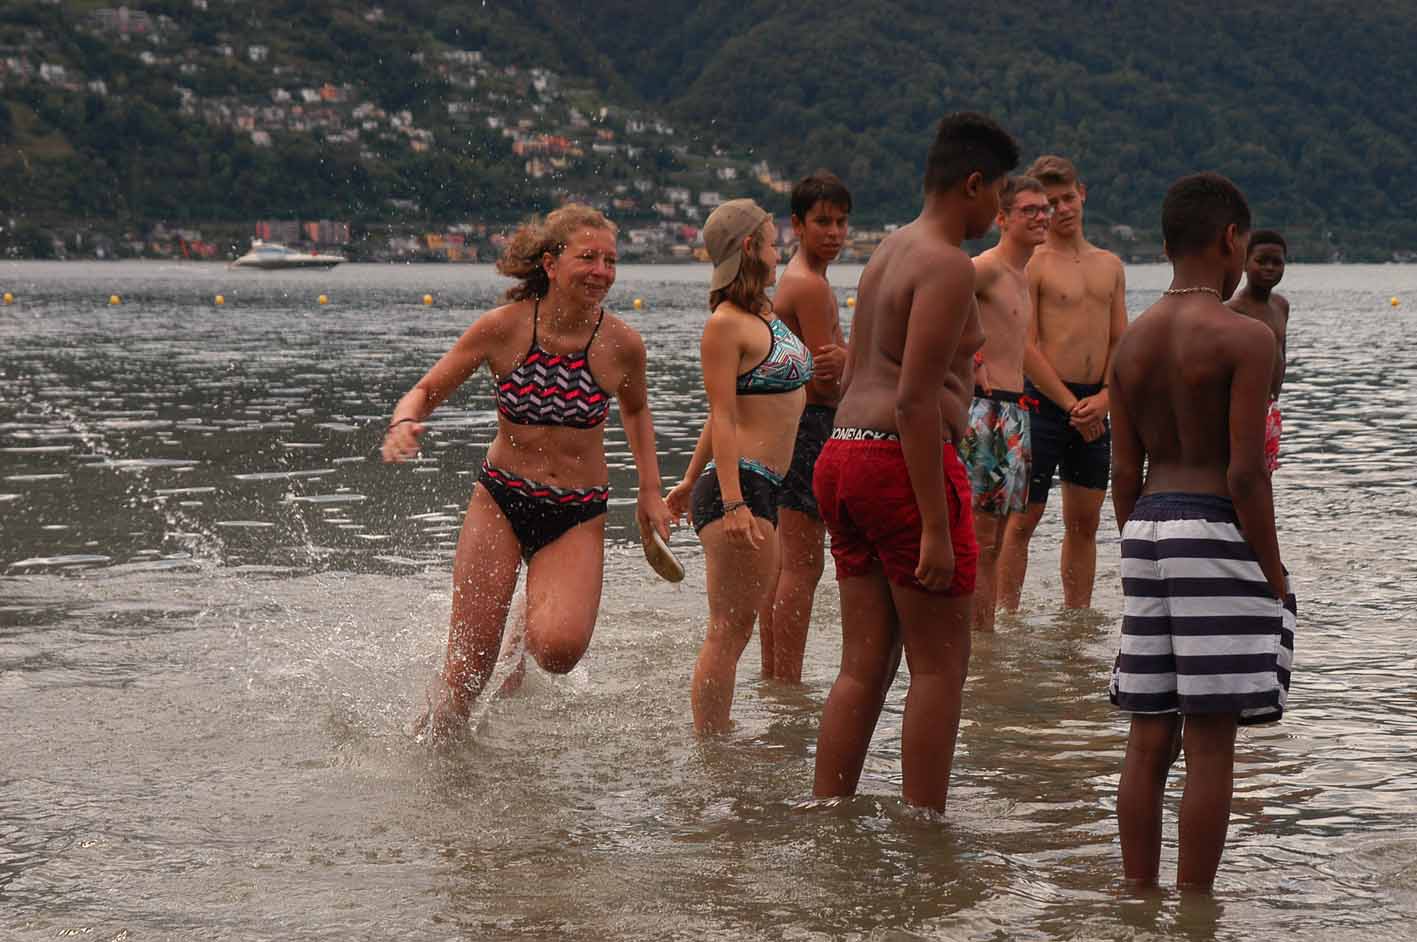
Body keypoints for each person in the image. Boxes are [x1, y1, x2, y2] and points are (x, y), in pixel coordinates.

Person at [382, 205, 673, 740]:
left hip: (576, 512)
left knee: (558, 652)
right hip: (501, 500)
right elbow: (425, 390)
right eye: (588, 257)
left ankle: (523, 623)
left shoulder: (622, 344)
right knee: (467, 673)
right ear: (551, 264)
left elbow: (636, 411)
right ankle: (435, 755)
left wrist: (650, 492)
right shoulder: (504, 328)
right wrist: (404, 422)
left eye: (610, 261)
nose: (602, 271)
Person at [811, 112, 1019, 811]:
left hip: (843, 453)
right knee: (939, 669)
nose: (999, 208)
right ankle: (926, 834)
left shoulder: (889, 250)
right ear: (972, 184)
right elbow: (914, 401)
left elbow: (859, 375)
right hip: (901, 462)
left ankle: (828, 811)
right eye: (1000, 192)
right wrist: (934, 524)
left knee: (863, 664)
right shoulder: (947, 264)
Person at [1107, 173, 1296, 890]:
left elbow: (1123, 472)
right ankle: (1193, 914)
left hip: (1146, 528)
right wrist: (1273, 573)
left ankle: (1136, 899)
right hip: (1215, 529)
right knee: (1211, 742)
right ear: (1231, 240)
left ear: (1164, 246)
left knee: (1147, 734)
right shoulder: (1246, 338)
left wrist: (1137, 547)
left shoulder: (1129, 344)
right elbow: (1246, 474)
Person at [665, 199, 811, 735]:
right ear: (750, 247)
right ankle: (712, 745)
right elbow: (724, 416)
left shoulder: (762, 315)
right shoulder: (725, 326)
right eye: (772, 242)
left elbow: (721, 412)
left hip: (763, 484)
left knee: (740, 626)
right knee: (728, 629)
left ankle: (718, 739)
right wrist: (731, 502)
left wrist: (687, 479)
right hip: (742, 486)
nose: (779, 252)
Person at [998, 155, 1128, 612]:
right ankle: (1006, 618)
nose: (1062, 209)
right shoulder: (1034, 264)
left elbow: (1120, 339)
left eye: (1068, 198)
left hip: (1096, 402)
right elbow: (1025, 345)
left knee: (1084, 524)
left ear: (1082, 194)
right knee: (1022, 520)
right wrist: (1073, 405)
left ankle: (1078, 618)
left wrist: (1107, 398)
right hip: (1044, 402)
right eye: (1050, 203)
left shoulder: (1110, 264)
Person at [755, 171, 851, 683]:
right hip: (810, 426)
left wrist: (845, 358)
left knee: (782, 563)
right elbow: (828, 384)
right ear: (797, 224)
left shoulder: (798, 278)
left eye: (841, 223)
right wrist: (858, 360)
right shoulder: (811, 286)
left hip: (787, 425)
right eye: (822, 222)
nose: (834, 233)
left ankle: (775, 675)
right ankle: (787, 681)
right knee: (803, 566)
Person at [960, 175, 1050, 632]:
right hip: (986, 410)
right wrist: (973, 360)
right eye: (1029, 210)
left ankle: (986, 642)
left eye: (1044, 209)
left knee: (995, 541)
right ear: (1003, 218)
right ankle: (975, 640)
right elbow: (939, 297)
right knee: (979, 541)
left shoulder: (1023, 274)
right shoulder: (986, 267)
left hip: (1016, 411)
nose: (1041, 217)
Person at [1226, 230, 1290, 473]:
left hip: (1271, 408)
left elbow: (1282, 353)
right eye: (1261, 261)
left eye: (1277, 262)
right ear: (1245, 263)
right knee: (1244, 475)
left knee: (1266, 473)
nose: (1269, 268)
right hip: (1242, 412)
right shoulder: (1232, 310)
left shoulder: (1281, 305)